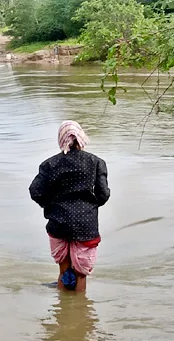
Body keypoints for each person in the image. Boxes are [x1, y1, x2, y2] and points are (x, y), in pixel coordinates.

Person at [28, 121, 110, 292]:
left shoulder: (49, 164)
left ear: (61, 139)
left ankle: (63, 311)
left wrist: (50, 205)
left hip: (58, 222)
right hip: (85, 223)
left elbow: (35, 191)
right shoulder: (95, 162)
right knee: (81, 273)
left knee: (63, 269)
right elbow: (104, 193)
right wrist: (91, 206)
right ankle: (79, 311)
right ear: (81, 138)